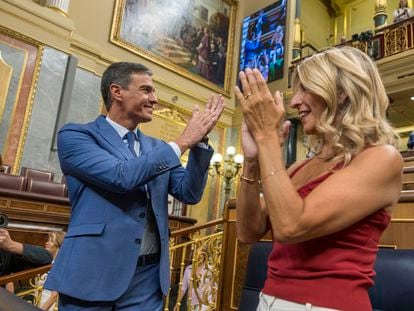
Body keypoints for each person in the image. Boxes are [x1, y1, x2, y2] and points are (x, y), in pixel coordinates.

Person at [44, 62, 224, 310]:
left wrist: (200, 142)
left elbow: (189, 192)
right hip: (91, 273)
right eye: (147, 90)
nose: (155, 99)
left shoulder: (156, 147)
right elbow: (121, 176)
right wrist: (182, 141)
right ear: (117, 92)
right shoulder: (77, 136)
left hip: (147, 280)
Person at [235, 46, 402, 310]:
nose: (294, 102)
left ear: (342, 91)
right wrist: (253, 160)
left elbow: (291, 226)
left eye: (305, 89)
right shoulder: (298, 168)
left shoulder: (382, 158)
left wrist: (267, 136)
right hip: (268, 301)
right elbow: (247, 231)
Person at [38, 231, 65, 311]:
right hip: (39, 303)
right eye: (48, 240)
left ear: (59, 244)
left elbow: (55, 295)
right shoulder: (47, 264)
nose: (47, 243)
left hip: (50, 307)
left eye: (51, 241)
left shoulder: (60, 265)